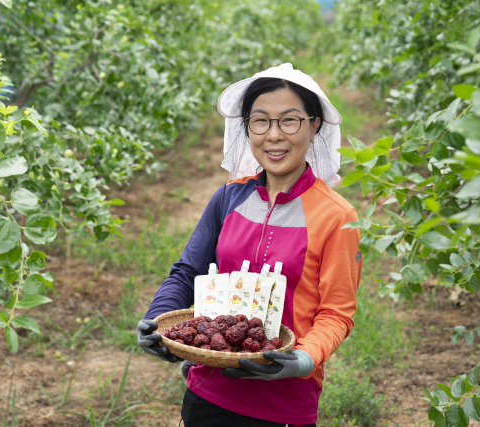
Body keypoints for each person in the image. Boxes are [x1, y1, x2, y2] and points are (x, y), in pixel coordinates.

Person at [137, 63, 362, 427]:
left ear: (314, 125)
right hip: (207, 390)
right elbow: (186, 273)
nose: (274, 135)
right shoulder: (228, 198)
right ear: (246, 128)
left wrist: (303, 360)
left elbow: (336, 312)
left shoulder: (337, 216)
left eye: (289, 121)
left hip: (283, 403)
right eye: (260, 121)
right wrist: (156, 318)